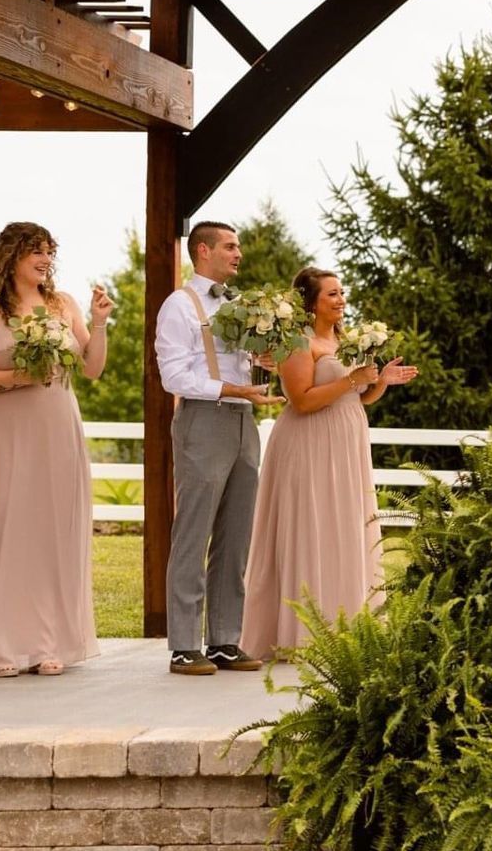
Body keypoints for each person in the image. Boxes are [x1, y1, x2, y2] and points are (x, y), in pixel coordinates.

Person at [0, 222, 110, 677]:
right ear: (12, 256)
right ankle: (1, 646)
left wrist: (98, 322)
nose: (47, 259)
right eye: (37, 251)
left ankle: (45, 641)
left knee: (51, 531)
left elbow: (91, 369)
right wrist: (20, 379)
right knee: (7, 528)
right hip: (6, 431)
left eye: (50, 251)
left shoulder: (63, 303)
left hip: (57, 425)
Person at [239, 268, 415, 661]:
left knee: (344, 528)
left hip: (346, 443)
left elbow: (359, 398)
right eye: (332, 294)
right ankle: (303, 633)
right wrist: (353, 380)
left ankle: (348, 627)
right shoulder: (297, 341)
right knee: (312, 527)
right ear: (312, 301)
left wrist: (380, 381)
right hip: (309, 444)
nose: (340, 299)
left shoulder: (345, 340)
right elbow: (301, 399)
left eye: (342, 292)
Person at [154, 220, 278, 677]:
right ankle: (184, 645)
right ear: (202, 251)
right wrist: (233, 388)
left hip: (244, 422)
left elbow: (235, 362)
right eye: (230, 246)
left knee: (236, 532)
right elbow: (174, 376)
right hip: (203, 421)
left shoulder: (242, 305)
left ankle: (225, 638)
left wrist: (256, 366)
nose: (238, 253)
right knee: (194, 529)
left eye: (238, 245)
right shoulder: (178, 306)